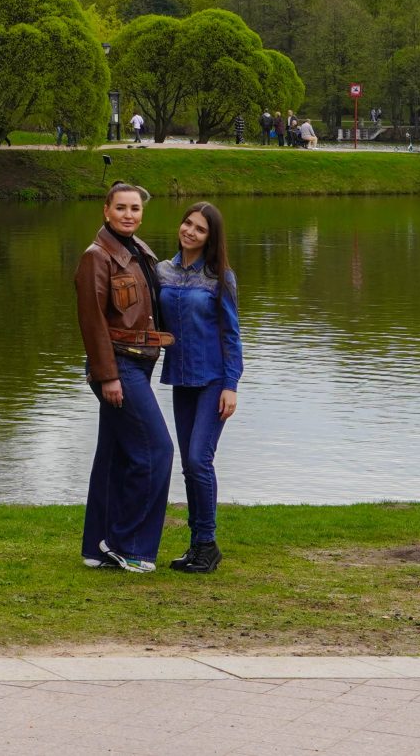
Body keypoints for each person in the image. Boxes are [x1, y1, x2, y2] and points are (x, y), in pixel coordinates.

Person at [76, 182, 175, 572]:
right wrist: (108, 376)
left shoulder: (139, 252)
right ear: (106, 211)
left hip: (139, 364)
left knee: (114, 454)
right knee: (156, 451)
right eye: (121, 208)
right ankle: (129, 545)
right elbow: (92, 321)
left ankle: (97, 547)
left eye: (135, 208)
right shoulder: (96, 257)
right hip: (119, 367)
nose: (129, 214)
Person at [156, 201, 241, 573]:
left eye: (200, 228)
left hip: (213, 381)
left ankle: (207, 543)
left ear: (211, 238)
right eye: (187, 223)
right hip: (181, 379)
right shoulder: (161, 271)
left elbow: (231, 335)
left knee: (198, 460)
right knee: (189, 466)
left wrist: (231, 385)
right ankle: (196, 547)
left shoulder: (220, 277)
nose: (190, 231)